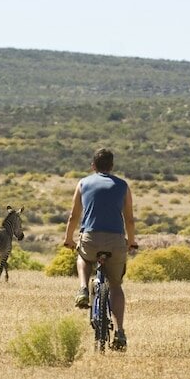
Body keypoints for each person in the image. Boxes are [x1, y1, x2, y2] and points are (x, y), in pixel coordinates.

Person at [63, 148, 137, 350]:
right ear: (112, 166)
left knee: (83, 257)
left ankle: (83, 289)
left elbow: (73, 216)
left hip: (91, 238)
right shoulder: (123, 185)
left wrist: (68, 238)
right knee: (115, 286)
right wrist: (131, 241)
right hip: (115, 241)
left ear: (93, 166)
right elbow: (129, 219)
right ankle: (120, 332)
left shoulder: (83, 183)